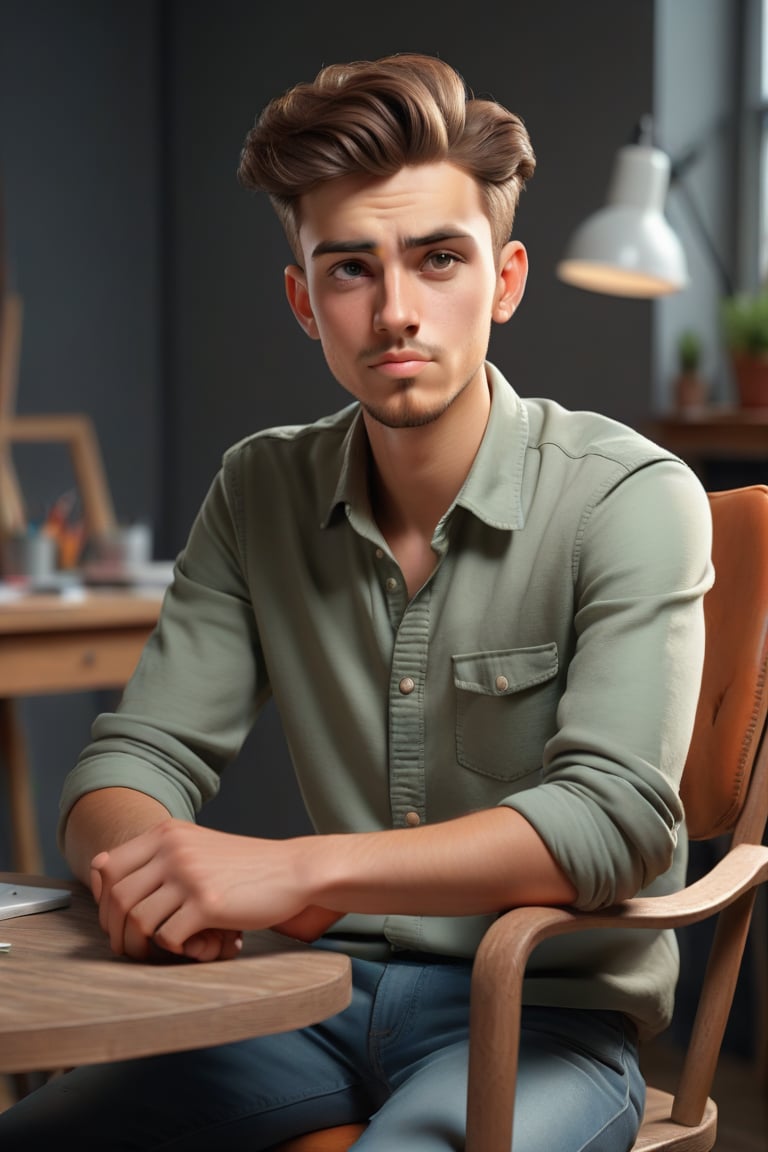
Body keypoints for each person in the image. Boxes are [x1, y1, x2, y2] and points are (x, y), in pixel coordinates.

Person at [0, 52, 714, 1151]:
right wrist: (156, 878)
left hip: (538, 1019)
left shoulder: (632, 495)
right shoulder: (259, 487)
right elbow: (131, 759)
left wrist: (289, 869)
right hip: (304, 1000)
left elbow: (614, 819)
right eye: (349, 270)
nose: (395, 312)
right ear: (302, 300)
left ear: (507, 279)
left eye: (439, 260)